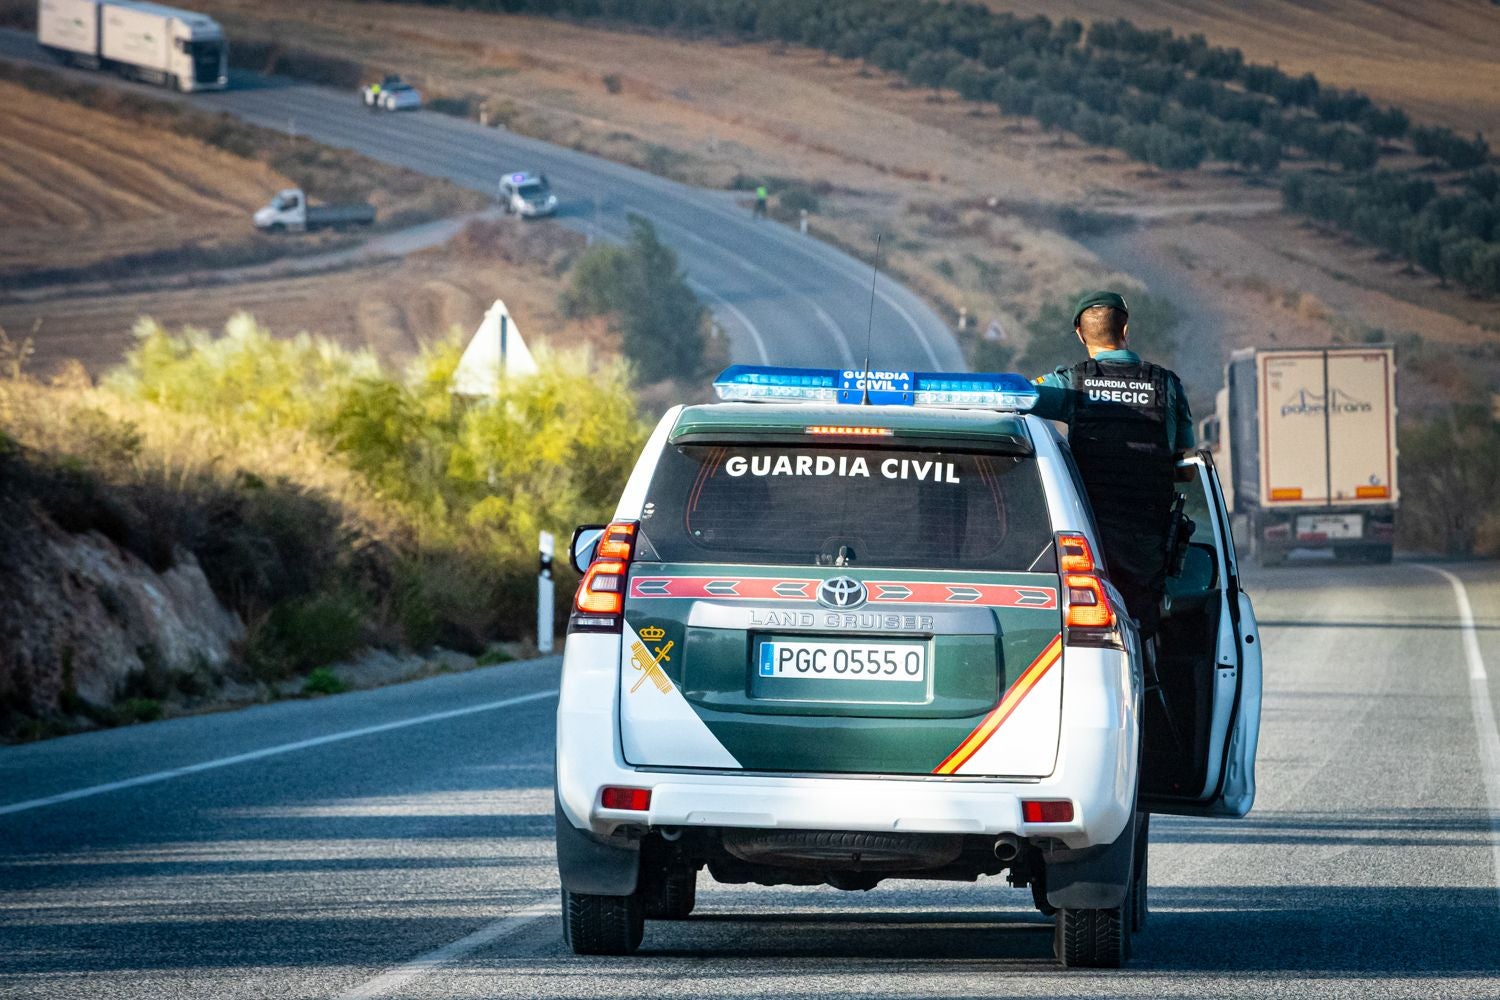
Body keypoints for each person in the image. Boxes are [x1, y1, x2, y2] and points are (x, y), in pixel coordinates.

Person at [1031, 290, 1193, 640]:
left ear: (1079, 333)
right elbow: (1186, 467)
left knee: (1092, 620)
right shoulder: (1167, 386)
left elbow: (1017, 398)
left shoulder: (1072, 382)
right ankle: (1148, 683)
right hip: (1146, 533)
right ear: (1126, 329)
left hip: (1089, 528)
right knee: (1143, 621)